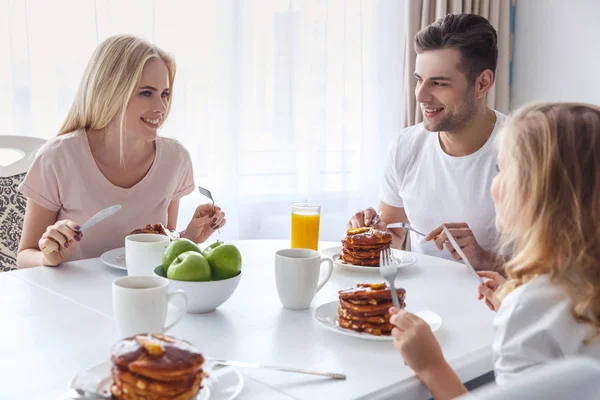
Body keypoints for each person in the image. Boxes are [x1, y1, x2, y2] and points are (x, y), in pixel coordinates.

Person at [389, 103, 600, 398]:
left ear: (532, 191)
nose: (494, 184)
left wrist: (430, 365)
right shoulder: (574, 290)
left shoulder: (529, 309)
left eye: (501, 170)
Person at [16, 35, 226, 268]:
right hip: (73, 298)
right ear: (112, 92)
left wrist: (190, 237)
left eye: (164, 94)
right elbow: (25, 256)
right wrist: (48, 255)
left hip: (143, 294)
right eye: (146, 93)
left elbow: (162, 248)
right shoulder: (57, 158)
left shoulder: (175, 160)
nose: (161, 107)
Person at [348, 14, 506, 271]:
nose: (420, 95)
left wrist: (484, 258)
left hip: (495, 305)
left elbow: (555, 268)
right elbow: (394, 237)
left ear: (482, 83)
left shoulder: (526, 153)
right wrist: (373, 233)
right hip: (420, 304)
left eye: (438, 83)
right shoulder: (405, 146)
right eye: (419, 79)